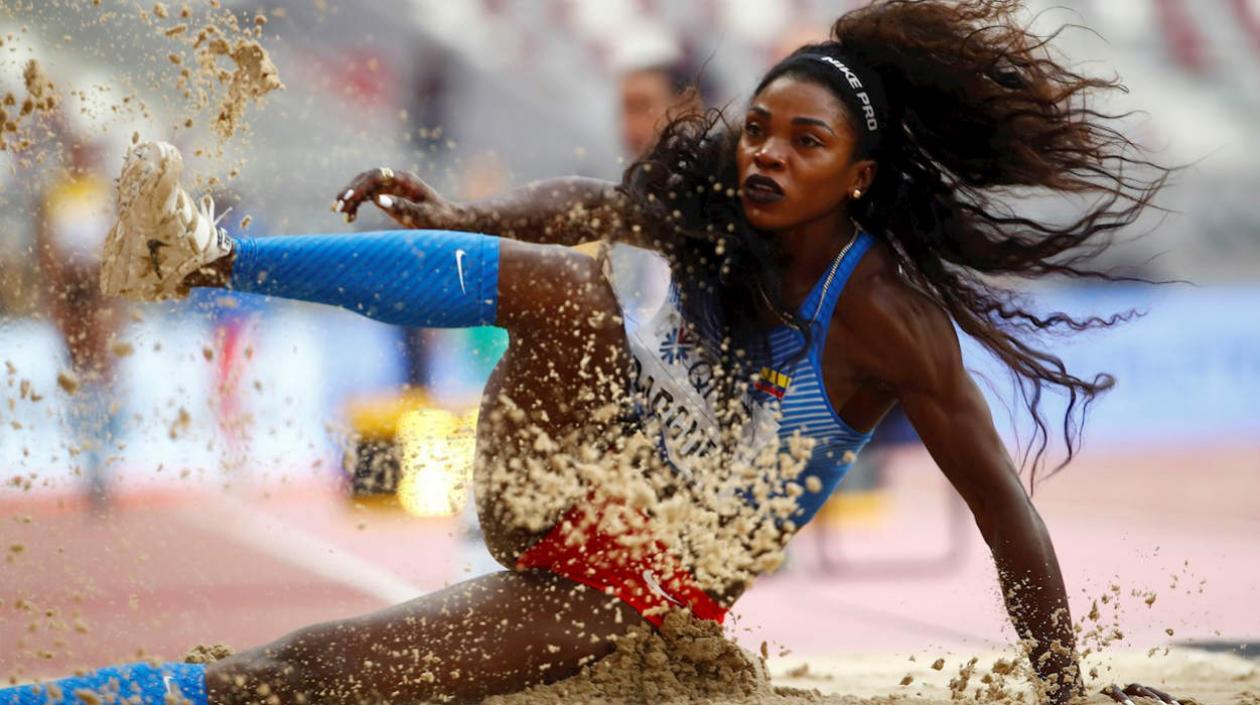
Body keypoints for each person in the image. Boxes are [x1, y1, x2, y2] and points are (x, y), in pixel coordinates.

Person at [3, 2, 1182, 705]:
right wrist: (456, 218)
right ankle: (202, 257)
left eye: (803, 142)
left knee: (305, 673)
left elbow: (1005, 513)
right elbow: (586, 203)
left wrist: (1065, 691)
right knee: (572, 289)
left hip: (635, 588)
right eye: (758, 130)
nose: (766, 156)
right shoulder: (721, 199)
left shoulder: (887, 317)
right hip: (568, 476)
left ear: (859, 177)